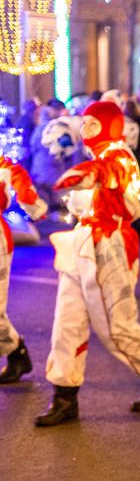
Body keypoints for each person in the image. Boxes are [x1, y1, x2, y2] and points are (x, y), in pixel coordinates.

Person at [36, 101, 140, 427]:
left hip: (109, 246)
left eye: (92, 125)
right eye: (83, 124)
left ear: (106, 127)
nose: (85, 130)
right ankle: (64, 395)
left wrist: (77, 176)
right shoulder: (96, 157)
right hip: (82, 242)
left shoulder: (119, 157)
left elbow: (103, 173)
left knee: (116, 327)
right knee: (66, 322)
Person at [0, 157, 48, 384]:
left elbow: (18, 179)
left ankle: (17, 352)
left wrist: (31, 202)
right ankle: (16, 352)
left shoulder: (3, 167)